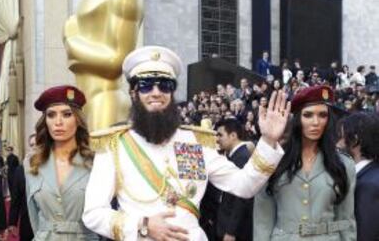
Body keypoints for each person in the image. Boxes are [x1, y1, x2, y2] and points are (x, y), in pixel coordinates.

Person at [83, 45, 290, 240]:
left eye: (165, 85)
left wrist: (268, 140)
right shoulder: (114, 146)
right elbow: (93, 213)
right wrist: (142, 224)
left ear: (172, 92)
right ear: (133, 93)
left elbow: (244, 185)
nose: (156, 93)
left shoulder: (196, 142)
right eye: (146, 86)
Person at [63, 0, 143, 132]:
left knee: (102, 160)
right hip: (85, 101)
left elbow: (117, 60)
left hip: (105, 101)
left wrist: (72, 43)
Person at [254, 85, 356, 240]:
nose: (316, 122)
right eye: (308, 115)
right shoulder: (274, 160)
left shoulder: (343, 164)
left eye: (322, 115)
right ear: (297, 119)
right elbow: (263, 220)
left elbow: (346, 220)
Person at [25, 85, 99, 241]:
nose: (58, 122)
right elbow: (34, 217)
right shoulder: (32, 163)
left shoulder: (96, 163)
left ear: (78, 120)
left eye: (67, 114)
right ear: (45, 121)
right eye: (51, 115)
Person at [339, 112, 379, 241]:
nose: (337, 144)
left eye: (341, 137)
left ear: (355, 140)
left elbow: (365, 234)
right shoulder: (371, 175)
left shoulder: (368, 185)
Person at [215, 119, 254, 241]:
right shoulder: (235, 156)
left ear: (233, 136)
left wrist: (231, 231)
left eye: (220, 135)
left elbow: (242, 198)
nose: (217, 139)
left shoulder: (242, 157)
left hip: (236, 231)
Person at [8, 134, 36, 241]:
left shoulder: (53, 168)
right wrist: (12, 222)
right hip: (27, 222)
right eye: (32, 145)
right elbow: (16, 198)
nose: (34, 148)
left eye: (38, 144)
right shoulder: (20, 170)